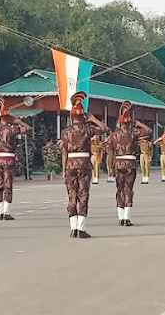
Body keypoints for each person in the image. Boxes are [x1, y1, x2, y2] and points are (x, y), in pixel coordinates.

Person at [59, 92, 109, 238]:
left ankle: (73, 228)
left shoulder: (65, 132)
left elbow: (64, 152)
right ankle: (81, 228)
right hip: (84, 163)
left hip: (70, 163)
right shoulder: (88, 129)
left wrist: (63, 170)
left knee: (71, 195)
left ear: (71, 117)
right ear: (83, 116)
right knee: (83, 194)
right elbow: (105, 129)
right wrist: (93, 119)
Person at [105, 101, 152, 226]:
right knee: (128, 189)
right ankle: (127, 218)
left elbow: (110, 153)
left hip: (118, 163)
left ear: (120, 122)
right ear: (128, 122)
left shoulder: (113, 135)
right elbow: (148, 131)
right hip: (130, 163)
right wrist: (137, 123)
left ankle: (120, 217)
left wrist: (109, 168)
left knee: (119, 189)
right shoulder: (133, 133)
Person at [0, 97, 32, 220]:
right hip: (8, 159)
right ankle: (6, 212)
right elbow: (29, 129)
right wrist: (18, 121)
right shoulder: (12, 129)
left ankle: (0, 212)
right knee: (8, 184)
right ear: (8, 118)